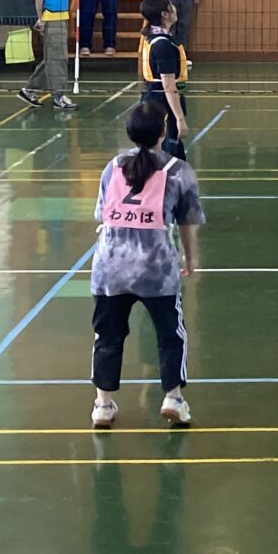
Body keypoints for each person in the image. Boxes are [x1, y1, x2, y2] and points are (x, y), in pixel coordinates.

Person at [89, 101, 204, 430]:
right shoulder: (178, 170)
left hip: (110, 265)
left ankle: (103, 406)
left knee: (107, 335)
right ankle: (173, 399)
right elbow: (188, 222)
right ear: (163, 131)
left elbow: (100, 214)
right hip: (155, 268)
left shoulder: (113, 166)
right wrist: (190, 258)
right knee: (171, 335)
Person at [21, 0, 76, 111]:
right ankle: (59, 96)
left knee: (53, 58)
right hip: (51, 17)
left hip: (62, 16)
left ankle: (29, 90)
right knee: (59, 58)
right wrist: (41, 18)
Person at [139, 0, 190, 154]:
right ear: (164, 14)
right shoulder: (164, 46)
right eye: (171, 6)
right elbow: (168, 86)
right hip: (162, 105)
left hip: (153, 100)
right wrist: (180, 118)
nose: (175, 8)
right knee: (169, 157)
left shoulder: (152, 36)